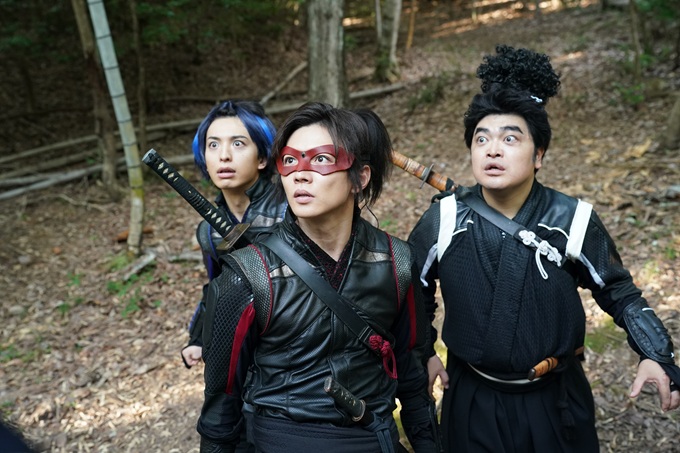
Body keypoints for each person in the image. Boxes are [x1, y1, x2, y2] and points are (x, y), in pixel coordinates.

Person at [408, 44, 680, 452]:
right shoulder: (444, 219)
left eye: (510, 138)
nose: (493, 149)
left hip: (556, 399)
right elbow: (413, 292)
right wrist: (424, 352)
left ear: (538, 155)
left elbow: (618, 291)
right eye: (481, 139)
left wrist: (656, 354)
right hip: (472, 397)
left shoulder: (573, 219)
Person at [197, 102, 440, 453]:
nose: (300, 174)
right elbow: (221, 410)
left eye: (321, 159)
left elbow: (413, 381)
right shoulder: (248, 275)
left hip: (373, 440)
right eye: (290, 160)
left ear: (361, 177)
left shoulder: (397, 262)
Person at [181, 100, 286, 370]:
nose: (224, 156)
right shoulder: (209, 231)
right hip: (250, 363)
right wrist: (198, 339)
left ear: (262, 158)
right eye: (213, 145)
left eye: (238, 143)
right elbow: (217, 286)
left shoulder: (293, 210)